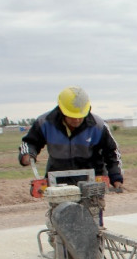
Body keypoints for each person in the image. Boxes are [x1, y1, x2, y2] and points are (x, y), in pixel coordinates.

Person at [18, 86, 124, 225]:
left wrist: (115, 176)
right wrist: (27, 154)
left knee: (92, 224)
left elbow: (112, 152)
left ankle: (95, 244)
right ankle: (60, 244)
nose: (77, 120)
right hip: (59, 182)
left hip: (90, 181)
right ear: (61, 110)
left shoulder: (97, 126)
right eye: (72, 116)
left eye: (80, 116)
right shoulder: (45, 123)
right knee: (61, 222)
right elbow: (30, 142)